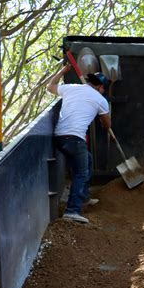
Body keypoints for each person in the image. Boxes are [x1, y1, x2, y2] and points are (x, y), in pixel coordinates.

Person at [47, 64, 111, 224]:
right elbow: (107, 124)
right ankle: (72, 211)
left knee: (87, 160)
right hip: (75, 138)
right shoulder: (101, 100)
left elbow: (50, 87)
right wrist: (107, 124)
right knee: (81, 173)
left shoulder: (72, 88)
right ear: (101, 87)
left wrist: (62, 72)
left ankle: (83, 197)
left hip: (59, 137)